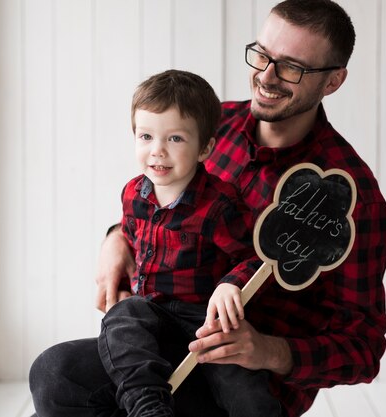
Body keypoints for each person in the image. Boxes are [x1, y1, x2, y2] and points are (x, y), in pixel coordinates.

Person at [29, 0, 386, 416]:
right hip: (169, 332)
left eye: (292, 67)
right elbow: (163, 204)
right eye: (262, 55)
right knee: (57, 374)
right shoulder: (209, 127)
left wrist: (269, 351)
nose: (267, 77)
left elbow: (363, 346)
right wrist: (116, 239)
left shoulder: (351, 195)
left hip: (247, 380)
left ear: (333, 81)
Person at [97, 69, 280, 417]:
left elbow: (256, 257)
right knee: (121, 319)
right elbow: (132, 243)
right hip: (151, 310)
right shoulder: (133, 194)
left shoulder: (219, 204)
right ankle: (147, 406)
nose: (158, 151)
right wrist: (121, 283)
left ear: (205, 148)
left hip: (205, 317)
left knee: (245, 391)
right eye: (146, 136)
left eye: (175, 139)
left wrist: (231, 284)